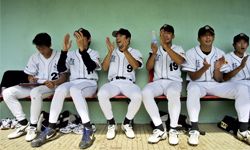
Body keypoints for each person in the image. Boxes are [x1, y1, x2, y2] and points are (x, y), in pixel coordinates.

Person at [31, 28, 101, 149]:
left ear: (88, 39)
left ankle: (88, 128)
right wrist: (64, 51)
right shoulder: (71, 54)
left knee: (75, 90)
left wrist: (82, 50)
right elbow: (60, 68)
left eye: (81, 37)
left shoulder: (94, 53)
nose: (78, 40)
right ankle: (51, 127)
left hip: (89, 83)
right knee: (60, 89)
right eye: (77, 38)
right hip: (73, 82)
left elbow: (90, 66)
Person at [182, 25, 250, 146]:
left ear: (214, 38)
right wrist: (204, 68)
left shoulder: (220, 53)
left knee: (242, 88)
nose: (208, 37)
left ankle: (243, 130)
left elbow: (219, 80)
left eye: (210, 35)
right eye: (204, 35)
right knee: (192, 89)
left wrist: (217, 69)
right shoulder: (191, 53)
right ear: (199, 38)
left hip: (215, 85)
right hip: (198, 84)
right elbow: (193, 77)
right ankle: (194, 129)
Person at [2, 33, 64, 141]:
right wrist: (31, 79)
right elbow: (30, 74)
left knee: (35, 92)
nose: (40, 50)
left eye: (43, 47)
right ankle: (23, 123)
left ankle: (33, 126)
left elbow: (65, 76)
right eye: (38, 48)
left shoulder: (60, 56)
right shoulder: (34, 57)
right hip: (35, 86)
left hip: (52, 87)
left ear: (49, 45)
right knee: (7, 92)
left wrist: (54, 82)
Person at [142, 24, 185, 145]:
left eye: (168, 33)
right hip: (158, 82)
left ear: (173, 35)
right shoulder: (155, 49)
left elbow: (180, 61)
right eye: (162, 33)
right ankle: (160, 128)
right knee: (145, 92)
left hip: (174, 82)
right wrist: (154, 53)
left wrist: (166, 47)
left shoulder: (178, 48)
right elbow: (148, 67)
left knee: (173, 93)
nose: (165, 35)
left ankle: (173, 129)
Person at [97, 28, 143, 140]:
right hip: (113, 83)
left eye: (120, 35)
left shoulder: (135, 51)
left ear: (127, 39)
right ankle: (111, 123)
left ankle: (126, 123)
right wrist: (109, 52)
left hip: (129, 83)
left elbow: (136, 66)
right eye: (116, 36)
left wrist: (125, 50)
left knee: (138, 96)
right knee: (101, 93)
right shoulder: (112, 51)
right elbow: (104, 68)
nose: (117, 38)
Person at [222, 33, 250, 145]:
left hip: (247, 84)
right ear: (234, 45)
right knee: (243, 89)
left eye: (245, 42)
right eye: (239, 42)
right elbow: (225, 77)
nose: (242, 45)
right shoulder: (227, 57)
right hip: (234, 85)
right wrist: (241, 67)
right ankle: (243, 129)